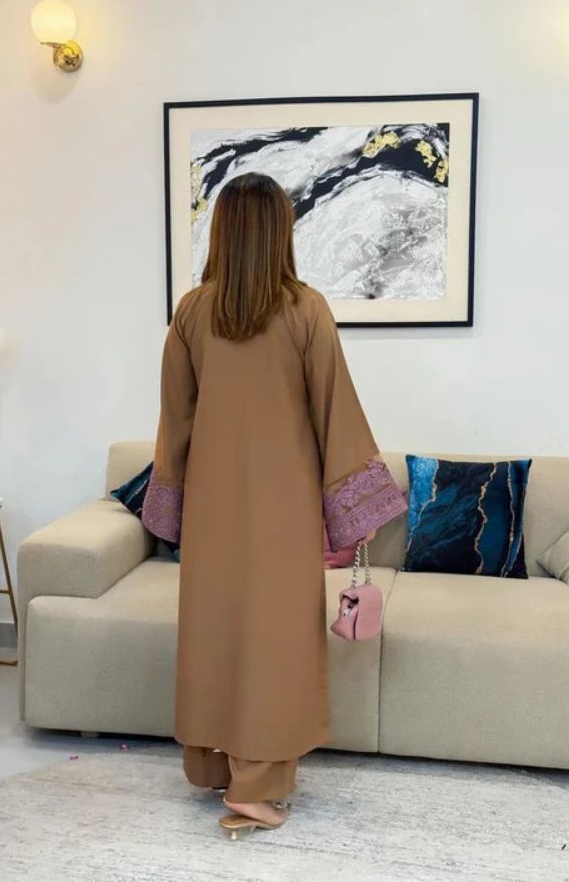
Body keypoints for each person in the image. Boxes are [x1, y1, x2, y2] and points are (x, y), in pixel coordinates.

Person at [142, 172, 408, 838]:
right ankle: (255, 792)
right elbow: (334, 414)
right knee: (274, 642)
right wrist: (354, 509)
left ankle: (216, 769)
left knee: (216, 635)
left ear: (223, 231)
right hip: (283, 512)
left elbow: (176, 422)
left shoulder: (192, 312)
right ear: (281, 231)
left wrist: (172, 510)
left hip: (212, 511)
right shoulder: (305, 310)